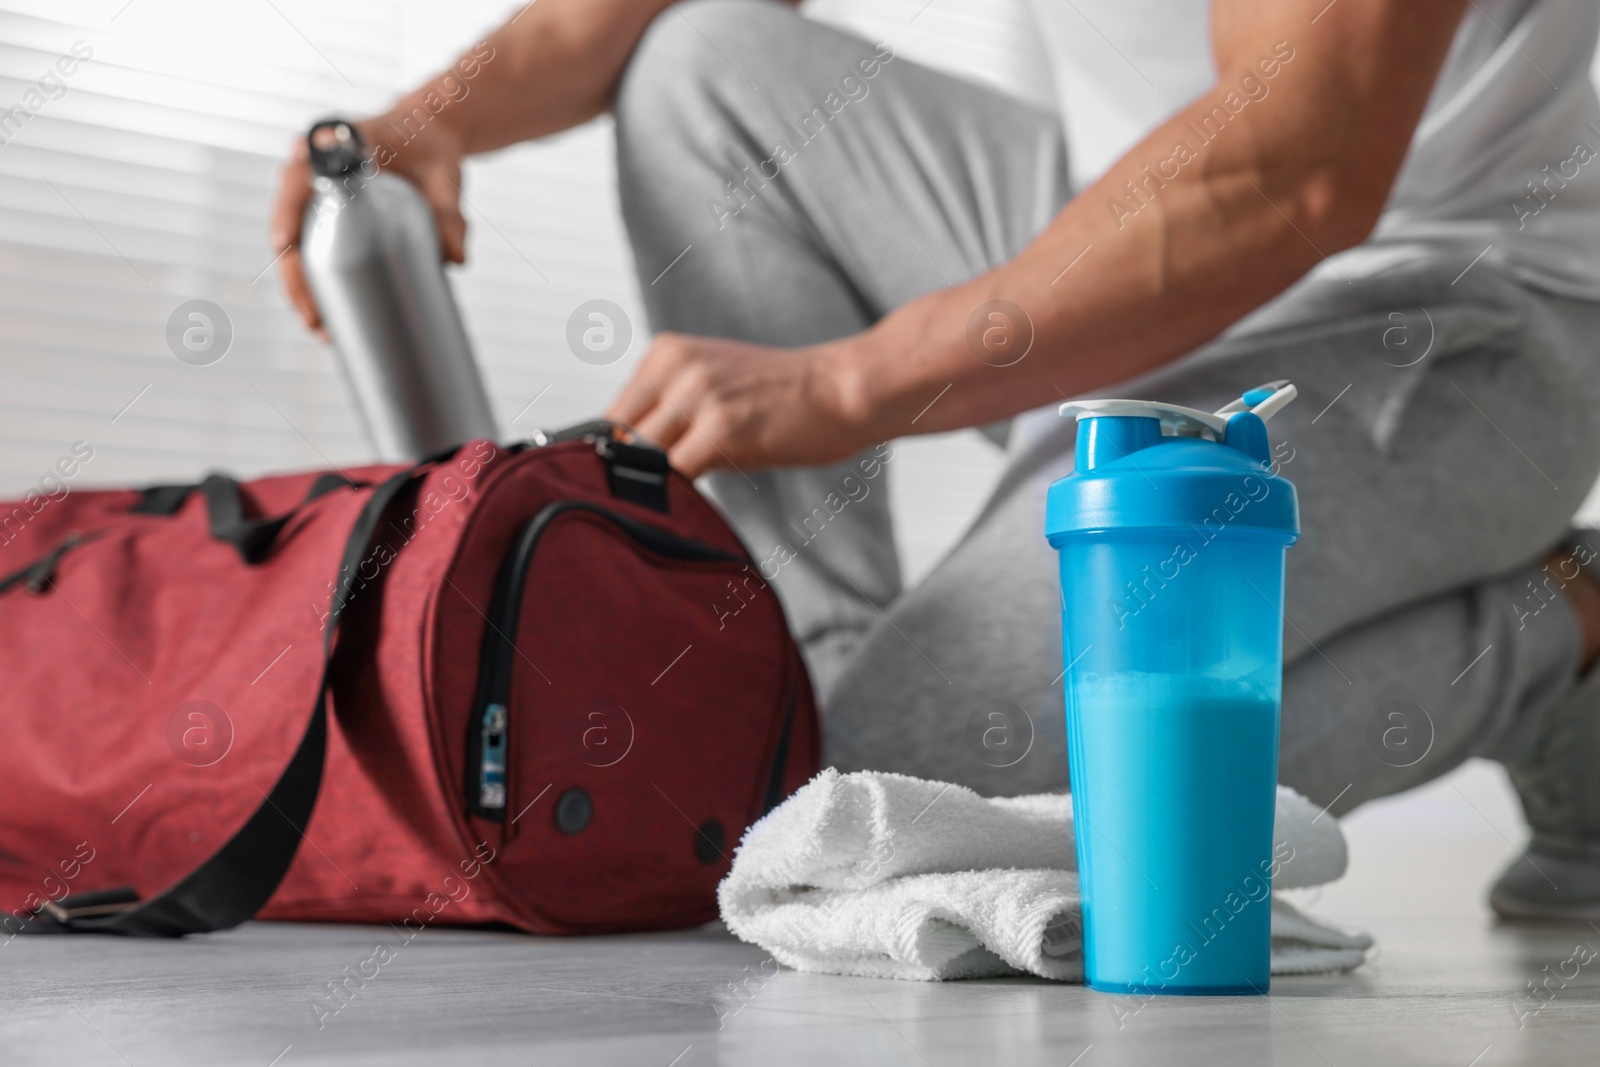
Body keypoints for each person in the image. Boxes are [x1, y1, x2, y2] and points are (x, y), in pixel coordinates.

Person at [272, 0, 1600, 918]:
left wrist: (852, 383)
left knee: (907, 798)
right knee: (705, 64)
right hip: (1123, 218)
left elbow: (1296, 170)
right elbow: (624, 23)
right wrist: (425, 121)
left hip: (1456, 304)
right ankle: (807, 682)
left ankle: (1561, 644)